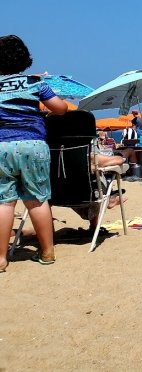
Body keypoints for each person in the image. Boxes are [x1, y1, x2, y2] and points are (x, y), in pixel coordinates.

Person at [0, 34, 69, 270]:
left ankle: (0, 259)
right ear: (25, 58)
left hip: (1, 146)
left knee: (4, 202)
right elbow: (61, 108)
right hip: (32, 144)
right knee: (37, 199)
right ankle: (47, 252)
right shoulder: (35, 82)